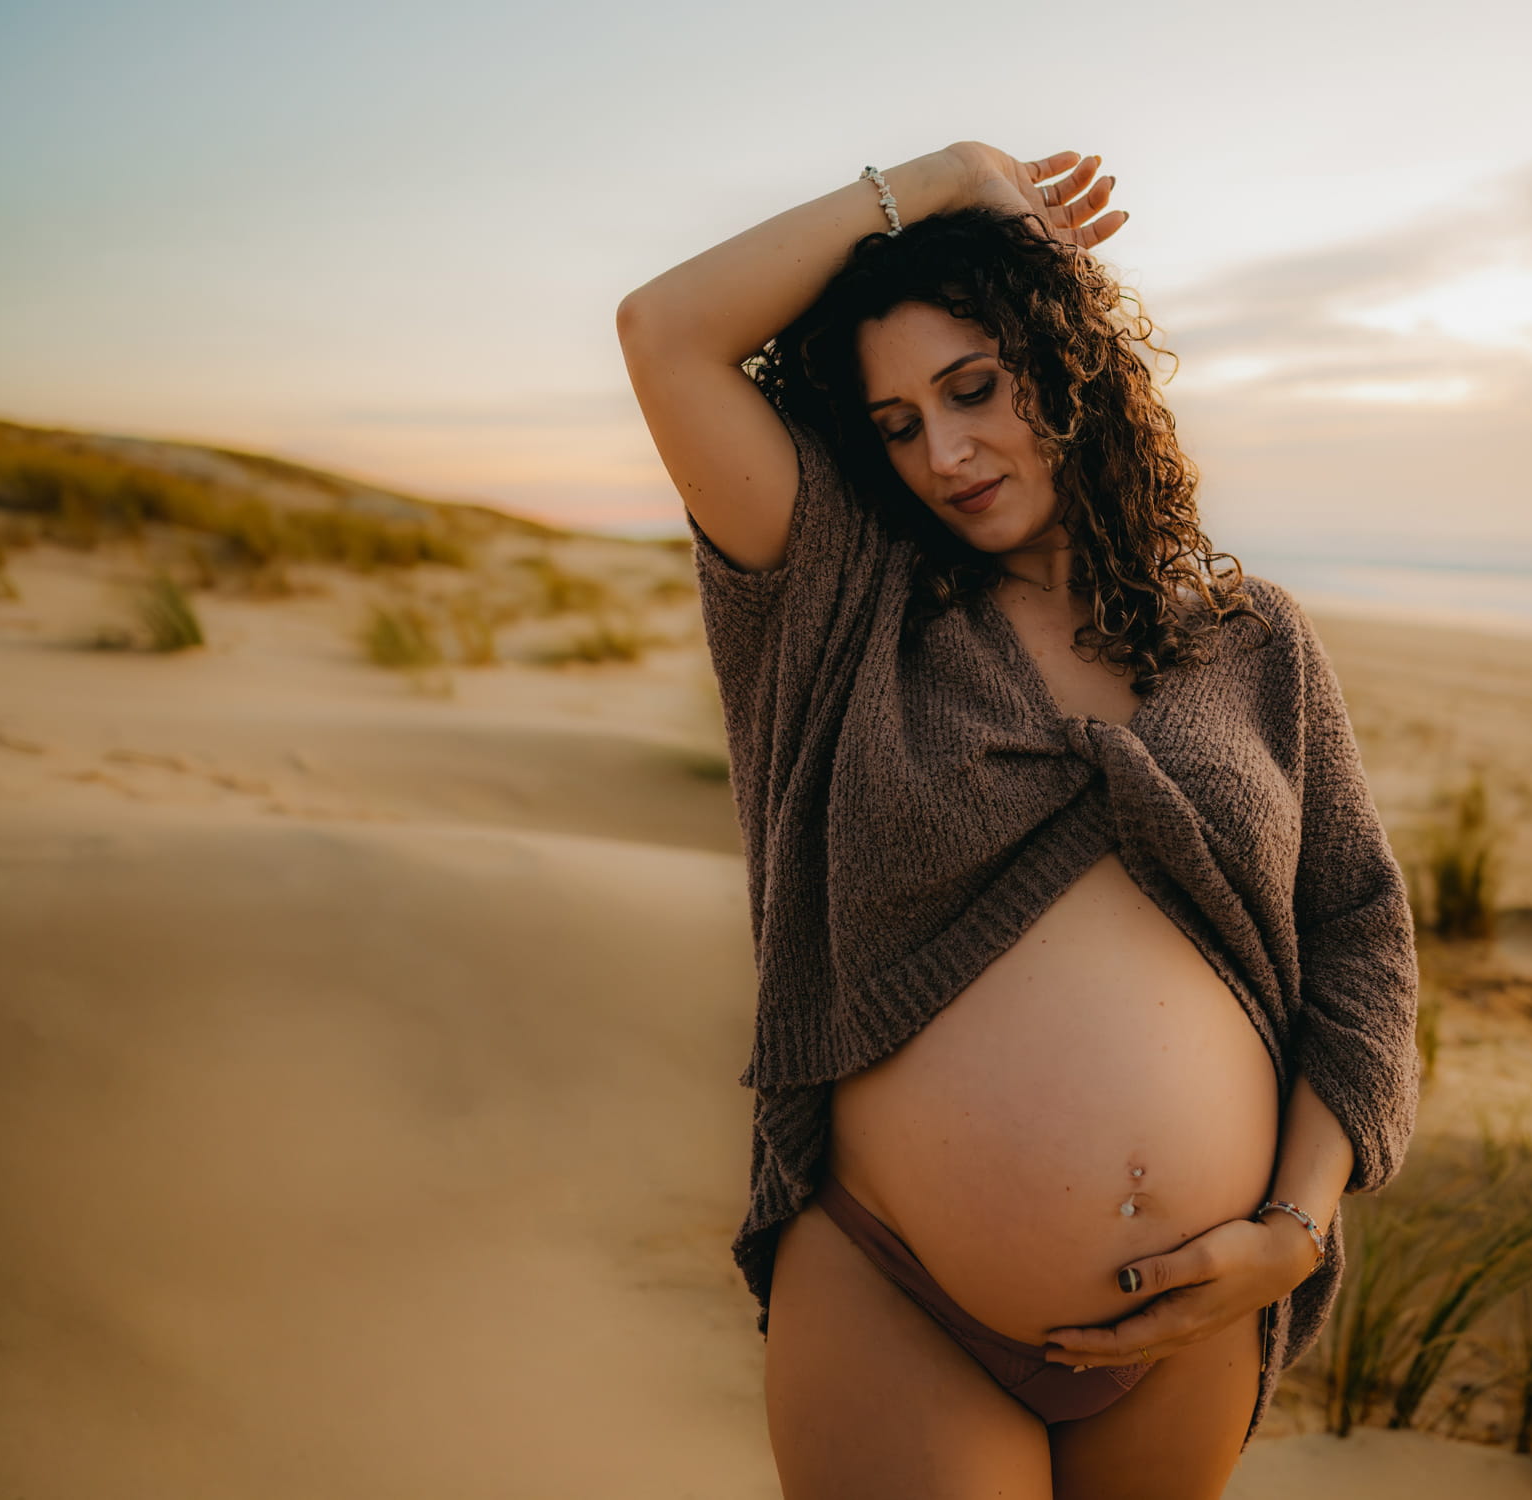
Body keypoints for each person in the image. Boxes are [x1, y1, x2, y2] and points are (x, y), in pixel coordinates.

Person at [615, 141, 1421, 1499]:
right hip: (898, 1289)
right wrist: (944, 178)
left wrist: (1295, 1222)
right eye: (895, 424)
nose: (943, 454)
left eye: (973, 388)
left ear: (1066, 362)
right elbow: (664, 332)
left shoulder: (1251, 641)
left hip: (1198, 1320)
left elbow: (1359, 934)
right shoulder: (843, 598)